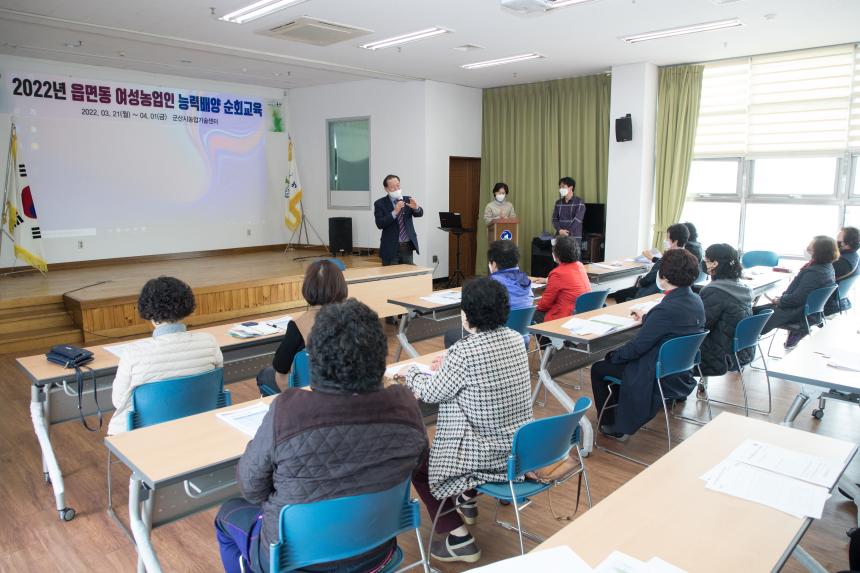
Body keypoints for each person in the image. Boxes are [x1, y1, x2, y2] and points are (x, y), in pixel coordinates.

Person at [215, 300, 428, 573]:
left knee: (227, 515)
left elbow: (251, 488)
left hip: (294, 562)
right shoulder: (405, 405)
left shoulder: (287, 411)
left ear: (314, 358)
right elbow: (419, 460)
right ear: (380, 356)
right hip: (378, 553)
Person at [400, 278, 532, 563]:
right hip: (519, 449)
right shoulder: (515, 338)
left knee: (420, 468)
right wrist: (448, 364)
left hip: (487, 454)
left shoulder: (465, 351)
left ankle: (458, 538)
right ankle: (466, 497)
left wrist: (411, 372)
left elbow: (431, 392)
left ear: (466, 313)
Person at [590, 249, 705, 439]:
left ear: (665, 276)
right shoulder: (696, 300)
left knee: (600, 367)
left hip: (656, 372)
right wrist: (648, 317)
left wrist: (612, 354)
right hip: (680, 370)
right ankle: (620, 412)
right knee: (617, 361)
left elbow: (636, 348)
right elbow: (671, 326)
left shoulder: (666, 309)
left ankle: (613, 423)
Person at [109, 276, 223, 435]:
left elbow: (118, 401)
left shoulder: (133, 353)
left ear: (149, 313)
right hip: (200, 424)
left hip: (143, 433)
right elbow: (216, 384)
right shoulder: (209, 342)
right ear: (186, 306)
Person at [255, 260, 348, 394]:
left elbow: (280, 366)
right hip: (347, 388)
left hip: (308, 390)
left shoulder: (298, 325)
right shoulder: (353, 318)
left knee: (264, 374)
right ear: (341, 286)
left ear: (308, 287)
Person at [443, 240, 533, 348]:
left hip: (494, 342)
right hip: (521, 340)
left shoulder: (491, 284)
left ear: (493, 264)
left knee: (450, 335)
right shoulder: (525, 280)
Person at [758, 235, 838, 348]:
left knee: (750, 314)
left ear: (820, 252)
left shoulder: (815, 273)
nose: (807, 250)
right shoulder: (826, 267)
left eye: (810, 248)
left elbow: (797, 298)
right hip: (804, 310)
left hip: (795, 311)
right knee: (753, 311)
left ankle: (742, 348)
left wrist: (779, 301)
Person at [698, 244, 753, 379]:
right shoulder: (743, 287)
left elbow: (700, 325)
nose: (704, 264)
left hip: (718, 356)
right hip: (742, 351)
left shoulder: (715, 291)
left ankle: (671, 394)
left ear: (714, 263)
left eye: (706, 261)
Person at [612, 223, 690, 304]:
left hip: (652, 293)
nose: (665, 240)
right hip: (674, 295)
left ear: (675, 241)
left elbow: (649, 279)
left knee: (619, 294)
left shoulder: (667, 258)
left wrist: (640, 282)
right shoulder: (687, 257)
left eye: (667, 238)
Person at [534, 235, 590, 323]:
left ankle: (547, 336)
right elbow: (568, 281)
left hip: (564, 318)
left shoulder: (557, 273)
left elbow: (544, 304)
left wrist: (535, 306)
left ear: (557, 253)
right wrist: (548, 280)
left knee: (532, 314)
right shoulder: (580, 265)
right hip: (581, 314)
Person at [373, 174, 423, 265]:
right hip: (390, 248)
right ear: (386, 189)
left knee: (407, 277)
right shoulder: (380, 203)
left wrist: (416, 208)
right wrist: (395, 212)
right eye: (393, 187)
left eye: (398, 186)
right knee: (391, 276)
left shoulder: (407, 199)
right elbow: (379, 224)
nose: (397, 189)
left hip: (407, 247)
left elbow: (419, 214)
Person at [824, 226, 859, 314]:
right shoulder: (854, 256)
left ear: (847, 243)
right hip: (838, 300)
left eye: (838, 239)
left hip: (827, 302)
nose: (835, 242)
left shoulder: (842, 263)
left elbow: (819, 278)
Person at [551, 176, 586, 250]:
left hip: (574, 238)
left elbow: (577, 220)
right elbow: (554, 219)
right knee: (559, 260)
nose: (561, 189)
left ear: (571, 188)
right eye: (560, 187)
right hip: (560, 237)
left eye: (563, 187)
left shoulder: (579, 202)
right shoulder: (558, 203)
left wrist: (567, 233)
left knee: (574, 260)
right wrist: (560, 230)